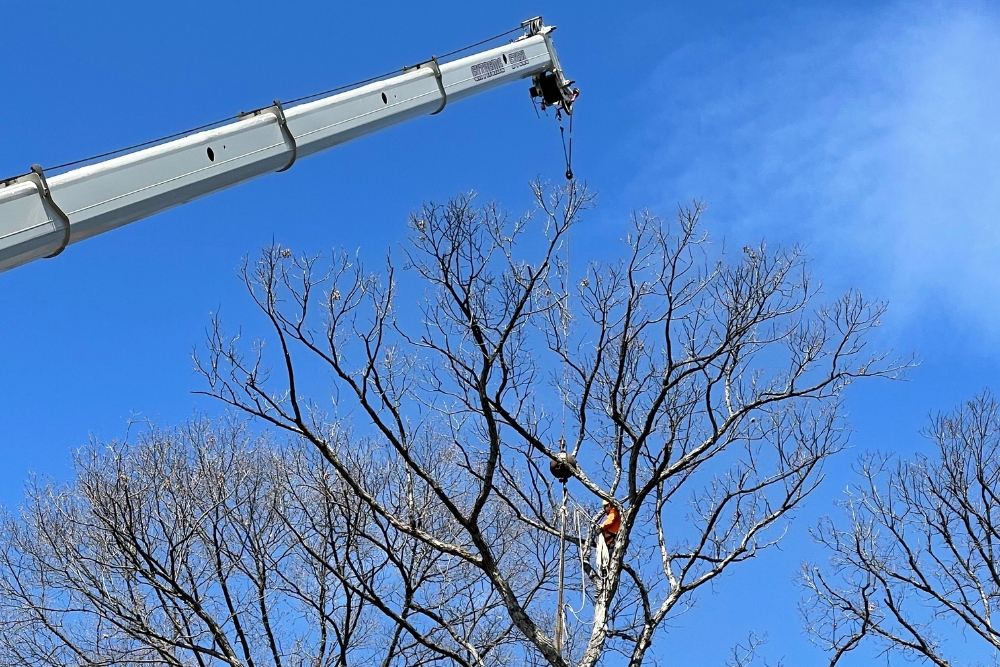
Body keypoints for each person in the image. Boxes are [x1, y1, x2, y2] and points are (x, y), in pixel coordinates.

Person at [595, 499, 620, 574]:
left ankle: (607, 570)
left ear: (608, 505)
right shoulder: (611, 513)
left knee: (609, 556)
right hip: (609, 539)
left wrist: (602, 527)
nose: (605, 510)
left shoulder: (613, 511)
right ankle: (605, 570)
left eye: (605, 507)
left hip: (612, 538)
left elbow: (610, 521)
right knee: (606, 556)